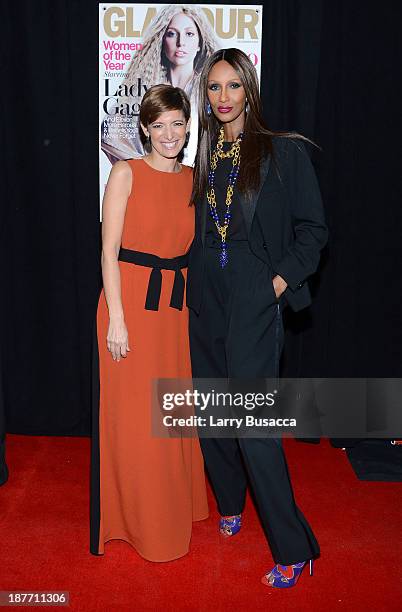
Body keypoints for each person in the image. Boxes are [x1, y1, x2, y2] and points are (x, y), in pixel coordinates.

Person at [187, 48, 328, 588]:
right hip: (206, 295)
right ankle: (230, 501)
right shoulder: (204, 154)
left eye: (233, 87)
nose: (223, 98)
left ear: (250, 90)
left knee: (252, 426)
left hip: (253, 293)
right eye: (215, 88)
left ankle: (296, 545)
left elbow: (314, 231)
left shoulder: (281, 153)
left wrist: (275, 284)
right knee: (211, 413)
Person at [91, 84, 208, 562]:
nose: (168, 134)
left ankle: (173, 506)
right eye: (158, 125)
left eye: (177, 124)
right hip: (130, 306)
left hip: (174, 311)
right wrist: (117, 318)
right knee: (136, 418)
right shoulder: (125, 173)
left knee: (172, 412)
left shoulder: (193, 179)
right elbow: (108, 252)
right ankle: (136, 521)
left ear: (188, 128)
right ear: (144, 128)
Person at [101, 5, 219, 165]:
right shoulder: (144, 88)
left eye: (189, 34)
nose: (180, 43)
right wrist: (143, 167)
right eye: (171, 34)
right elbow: (108, 133)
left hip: (196, 182)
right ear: (162, 40)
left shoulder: (207, 90)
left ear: (200, 43)